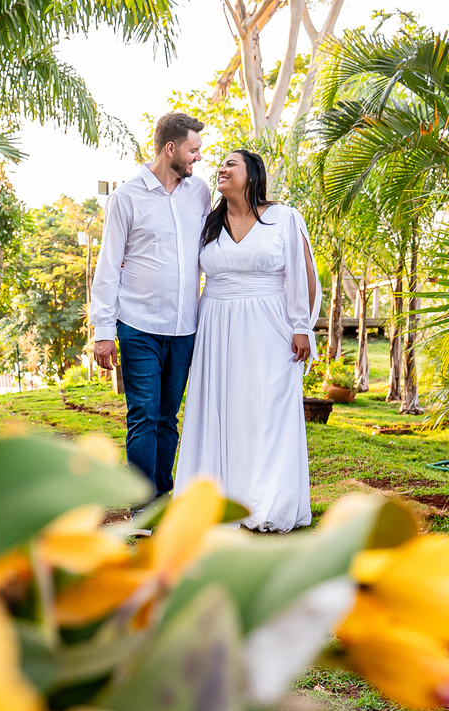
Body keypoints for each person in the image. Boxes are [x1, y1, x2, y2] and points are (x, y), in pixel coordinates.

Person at [174, 150, 320, 531]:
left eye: (230, 164)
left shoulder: (284, 217)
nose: (221, 169)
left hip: (270, 325)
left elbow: (304, 274)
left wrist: (301, 326)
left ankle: (268, 501)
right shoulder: (208, 222)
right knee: (220, 408)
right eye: (220, 164)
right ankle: (217, 501)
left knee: (266, 409)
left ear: (252, 175)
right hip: (216, 324)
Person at [90, 113, 209, 498]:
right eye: (193, 150)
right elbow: (108, 268)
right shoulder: (126, 197)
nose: (198, 158)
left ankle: (163, 495)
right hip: (138, 325)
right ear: (170, 148)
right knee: (143, 416)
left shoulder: (200, 193)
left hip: (185, 328)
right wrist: (103, 333)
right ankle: (141, 505)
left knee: (168, 419)